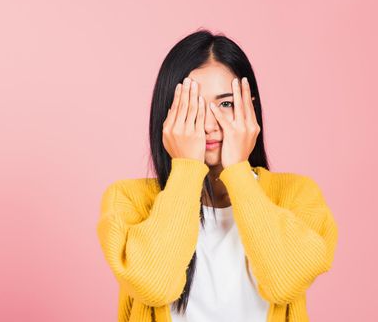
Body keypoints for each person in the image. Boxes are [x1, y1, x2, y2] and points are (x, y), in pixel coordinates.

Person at [96, 29, 339, 322]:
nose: (210, 125)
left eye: (226, 104)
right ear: (167, 113)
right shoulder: (128, 200)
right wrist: (186, 168)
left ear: (250, 109)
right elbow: (154, 286)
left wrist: (238, 170)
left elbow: (283, 283)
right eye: (192, 106)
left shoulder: (297, 195)